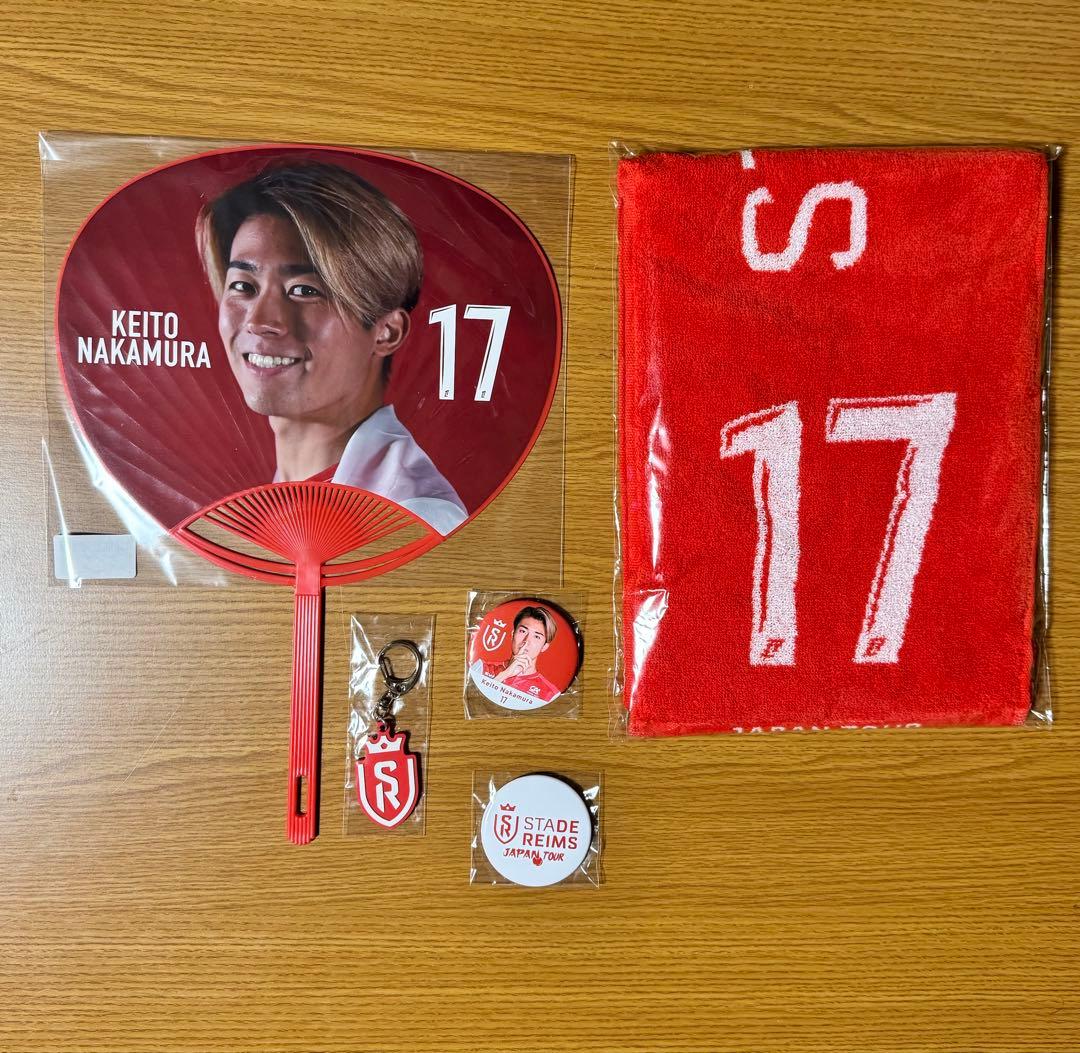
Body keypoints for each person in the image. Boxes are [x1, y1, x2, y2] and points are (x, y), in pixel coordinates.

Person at [196, 161, 467, 535]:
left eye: (304, 290)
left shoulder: (416, 519)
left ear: (387, 332)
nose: (259, 321)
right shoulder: (274, 501)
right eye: (243, 286)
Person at [484, 606, 561, 702]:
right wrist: (504, 674)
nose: (526, 641)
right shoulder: (482, 668)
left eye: (537, 637)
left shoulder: (550, 695)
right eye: (523, 631)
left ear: (544, 646)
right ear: (513, 634)